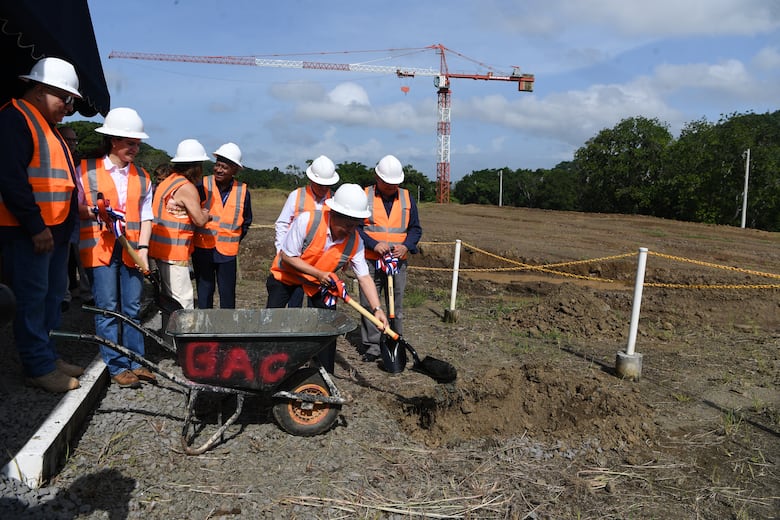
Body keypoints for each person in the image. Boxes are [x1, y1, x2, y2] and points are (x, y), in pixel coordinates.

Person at [0, 57, 84, 392]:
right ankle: (37, 365)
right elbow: (11, 179)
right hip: (31, 232)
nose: (68, 106)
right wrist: (35, 226)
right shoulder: (14, 118)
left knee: (50, 298)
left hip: (55, 230)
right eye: (64, 98)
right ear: (38, 89)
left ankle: (47, 355)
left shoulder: (46, 125)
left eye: (71, 101)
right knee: (33, 299)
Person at [266, 183, 388, 374]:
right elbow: (287, 257)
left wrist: (377, 309)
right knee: (272, 324)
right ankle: (270, 368)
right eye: (348, 224)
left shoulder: (355, 241)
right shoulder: (307, 221)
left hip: (318, 284)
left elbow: (364, 277)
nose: (350, 230)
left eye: (355, 224)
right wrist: (318, 274)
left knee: (328, 326)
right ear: (334, 213)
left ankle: (324, 374)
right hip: (286, 277)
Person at [76, 107, 156, 389]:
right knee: (108, 308)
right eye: (129, 143)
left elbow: (147, 215)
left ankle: (136, 361)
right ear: (113, 140)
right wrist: (95, 213)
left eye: (137, 143)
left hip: (132, 249)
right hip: (100, 249)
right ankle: (117, 366)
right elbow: (74, 207)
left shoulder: (144, 177)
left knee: (133, 307)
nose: (135, 148)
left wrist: (144, 248)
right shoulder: (85, 170)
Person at [358, 155, 422, 363]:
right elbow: (356, 227)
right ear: (377, 178)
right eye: (387, 183)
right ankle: (373, 346)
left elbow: (415, 229)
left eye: (395, 184)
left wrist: (406, 246)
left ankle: (396, 340)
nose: (391, 187)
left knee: (397, 304)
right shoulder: (364, 195)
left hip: (397, 261)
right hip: (370, 259)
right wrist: (373, 244)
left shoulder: (406, 198)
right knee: (369, 303)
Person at [149, 139, 211, 310]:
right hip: (175, 252)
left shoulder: (168, 182)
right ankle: (184, 336)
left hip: (160, 249)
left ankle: (168, 336)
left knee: (168, 300)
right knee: (183, 302)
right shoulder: (186, 187)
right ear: (196, 166)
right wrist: (206, 214)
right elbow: (199, 220)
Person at [273, 154, 339, 307]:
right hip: (295, 262)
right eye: (319, 184)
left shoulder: (335, 201)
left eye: (326, 185)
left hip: (320, 265)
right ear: (311, 180)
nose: (323, 188)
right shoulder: (297, 196)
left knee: (319, 309)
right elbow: (282, 224)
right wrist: (281, 251)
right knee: (293, 304)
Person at [192, 143, 252, 309]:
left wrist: (233, 239)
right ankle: (205, 331)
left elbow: (246, 221)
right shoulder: (201, 185)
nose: (218, 170)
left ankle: (227, 331)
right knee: (204, 292)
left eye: (224, 167)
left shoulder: (243, 191)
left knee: (227, 295)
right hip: (203, 249)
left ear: (234, 170)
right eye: (217, 165)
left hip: (227, 253)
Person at [60, 125, 91, 309]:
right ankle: (64, 296)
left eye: (74, 140)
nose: (72, 144)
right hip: (60, 215)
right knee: (61, 260)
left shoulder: (80, 162)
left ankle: (87, 293)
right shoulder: (54, 158)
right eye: (68, 140)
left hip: (79, 216)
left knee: (83, 257)